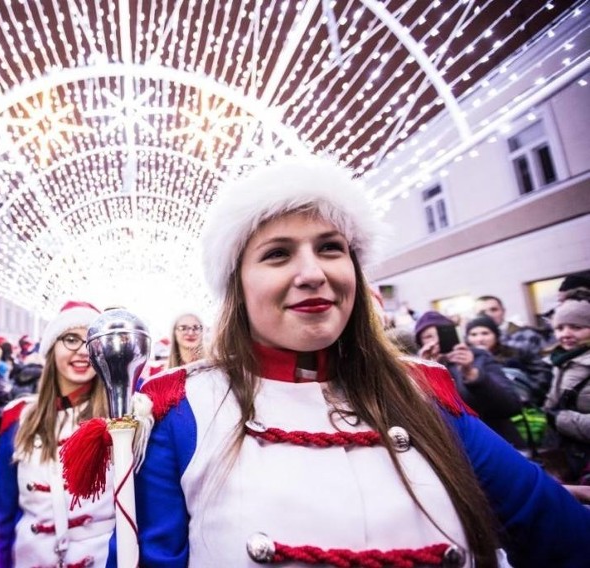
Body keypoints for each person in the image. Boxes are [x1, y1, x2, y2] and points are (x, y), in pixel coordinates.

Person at [130, 159, 590, 568]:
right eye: (277, 254)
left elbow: (562, 535)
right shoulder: (180, 410)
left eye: (330, 247)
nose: (313, 274)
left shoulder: (424, 395)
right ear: (237, 287)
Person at [0, 300, 115, 568]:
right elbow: (0, 517)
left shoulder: (122, 418)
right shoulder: (18, 418)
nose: (82, 351)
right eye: (70, 339)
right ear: (52, 348)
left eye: (91, 341)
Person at [414, 310, 526, 450]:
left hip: (495, 442)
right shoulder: (416, 369)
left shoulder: (478, 357)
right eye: (428, 336)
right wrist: (423, 372)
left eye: (441, 333)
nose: (436, 341)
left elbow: (511, 406)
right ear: (420, 343)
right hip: (453, 450)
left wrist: (472, 374)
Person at [542, 290, 590, 485]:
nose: (566, 334)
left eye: (576, 327)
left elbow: (556, 413)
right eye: (560, 328)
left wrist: (559, 419)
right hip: (572, 456)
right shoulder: (561, 361)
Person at [475, 295, 550, 356]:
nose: (489, 315)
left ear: (503, 311)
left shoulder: (528, 335)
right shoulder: (473, 341)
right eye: (482, 312)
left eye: (494, 310)